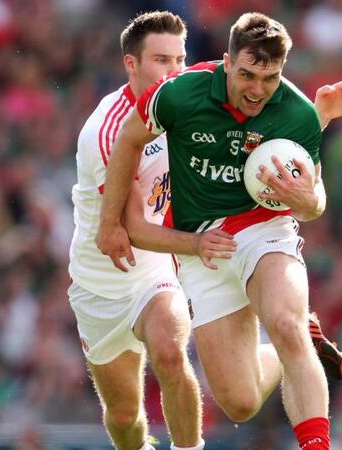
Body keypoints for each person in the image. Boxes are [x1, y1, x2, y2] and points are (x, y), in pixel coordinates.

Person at [96, 12, 342, 450]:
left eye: (270, 77)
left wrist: (305, 200)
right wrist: (109, 223)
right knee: (240, 403)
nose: (257, 89)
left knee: (284, 322)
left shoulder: (297, 113)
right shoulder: (180, 96)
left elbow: (315, 202)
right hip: (204, 251)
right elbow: (129, 139)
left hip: (265, 229)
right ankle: (287, 347)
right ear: (226, 62)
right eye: (247, 74)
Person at [70, 12, 226, 450]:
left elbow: (251, 76)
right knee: (123, 419)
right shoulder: (108, 130)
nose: (173, 72)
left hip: (155, 270)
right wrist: (198, 243)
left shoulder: (190, 90)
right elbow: (130, 230)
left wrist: (317, 113)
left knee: (171, 353)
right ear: (131, 65)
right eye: (161, 60)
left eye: (179, 59)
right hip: (100, 285)